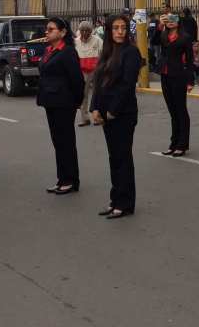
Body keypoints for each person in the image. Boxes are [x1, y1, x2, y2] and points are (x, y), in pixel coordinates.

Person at [90, 15, 142, 219]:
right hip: (105, 113)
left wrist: (113, 110)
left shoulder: (131, 52)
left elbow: (127, 85)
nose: (120, 31)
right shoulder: (108, 51)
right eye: (116, 28)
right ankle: (115, 200)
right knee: (114, 158)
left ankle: (125, 203)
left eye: (123, 27)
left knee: (123, 158)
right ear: (109, 31)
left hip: (122, 114)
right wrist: (94, 108)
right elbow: (98, 81)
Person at [38, 17, 85, 195]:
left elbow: (77, 80)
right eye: (47, 29)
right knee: (58, 142)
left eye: (51, 29)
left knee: (66, 142)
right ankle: (62, 178)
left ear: (63, 32)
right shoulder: (49, 50)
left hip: (64, 103)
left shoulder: (67, 52)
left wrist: (76, 102)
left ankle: (70, 180)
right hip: (50, 101)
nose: (47, 32)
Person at [154, 13, 195, 156]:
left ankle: (182, 144)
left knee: (180, 110)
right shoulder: (164, 35)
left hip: (179, 75)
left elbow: (190, 60)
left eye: (173, 20)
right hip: (165, 75)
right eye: (167, 20)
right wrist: (159, 26)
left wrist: (190, 81)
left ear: (178, 22)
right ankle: (173, 143)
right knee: (172, 111)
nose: (170, 22)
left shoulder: (185, 37)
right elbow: (154, 41)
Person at [74, 21, 103, 126]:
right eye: (83, 31)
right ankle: (85, 118)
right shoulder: (75, 42)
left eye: (88, 31)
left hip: (96, 70)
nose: (85, 33)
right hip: (82, 71)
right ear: (80, 31)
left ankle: (97, 117)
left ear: (91, 32)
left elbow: (103, 54)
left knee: (97, 93)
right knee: (83, 95)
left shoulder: (97, 40)